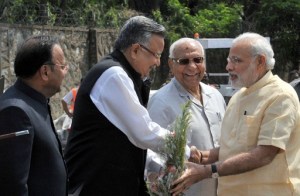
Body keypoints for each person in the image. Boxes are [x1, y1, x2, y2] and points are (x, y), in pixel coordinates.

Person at [64, 16, 195, 196]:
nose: (157, 62)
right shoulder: (114, 75)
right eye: (156, 54)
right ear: (135, 50)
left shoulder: (122, 74)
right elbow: (143, 132)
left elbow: (126, 140)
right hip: (94, 184)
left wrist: (157, 166)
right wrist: (183, 149)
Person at [171, 32, 300, 196]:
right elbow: (233, 147)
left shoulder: (280, 96)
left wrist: (207, 171)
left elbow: (264, 154)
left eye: (236, 60)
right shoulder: (239, 96)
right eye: (229, 60)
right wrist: (204, 156)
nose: (228, 67)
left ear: (260, 61)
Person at [146, 37, 226, 196]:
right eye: (183, 61)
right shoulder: (161, 102)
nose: (192, 67)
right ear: (171, 64)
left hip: (223, 188)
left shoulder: (215, 95)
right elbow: (152, 155)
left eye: (197, 60)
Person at [0, 35, 68, 195]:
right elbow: (12, 187)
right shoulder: (15, 111)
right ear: (45, 72)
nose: (66, 71)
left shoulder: (35, 101)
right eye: (63, 66)